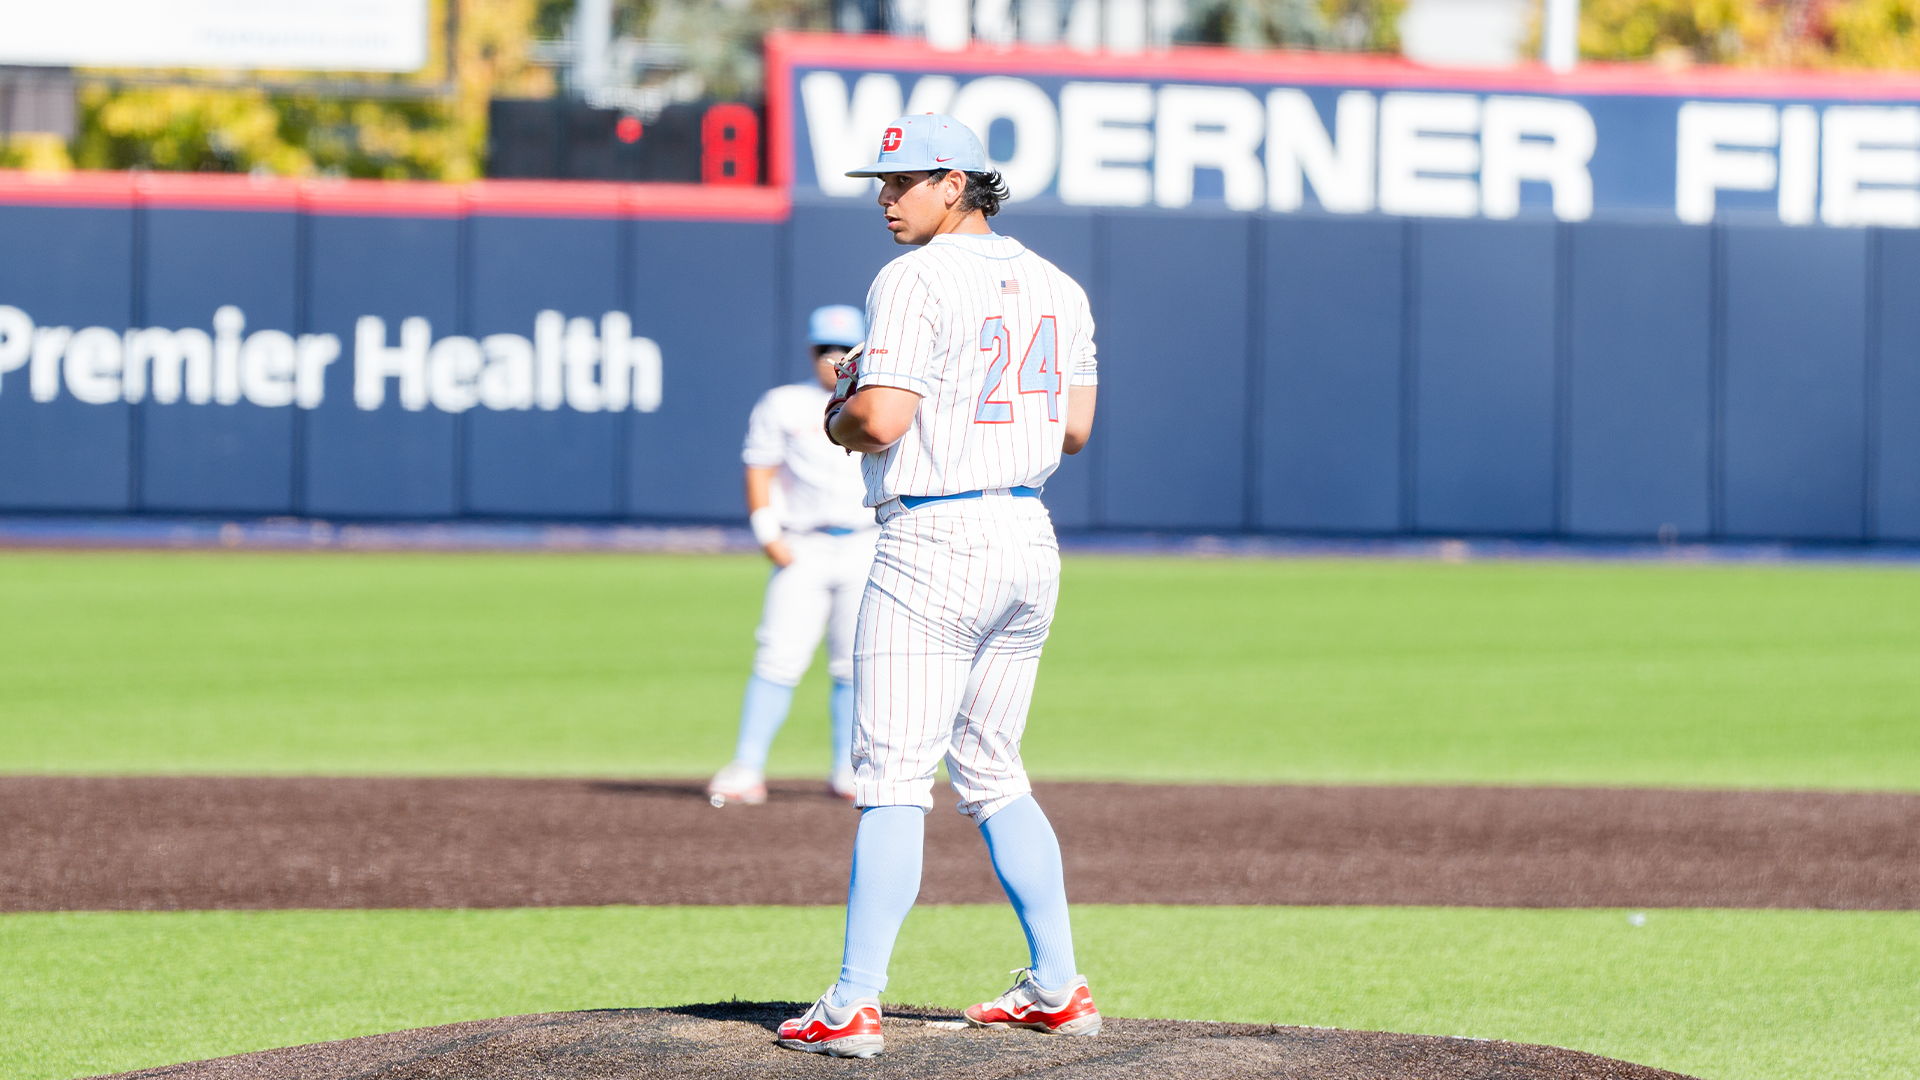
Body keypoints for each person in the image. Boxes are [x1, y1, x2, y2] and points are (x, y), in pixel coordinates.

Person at [774, 115, 1101, 1059]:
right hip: (1027, 536)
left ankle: (853, 1001)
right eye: (882, 180)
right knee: (994, 772)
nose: (885, 195)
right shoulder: (1060, 284)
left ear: (956, 183)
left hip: (936, 531)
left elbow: (878, 422)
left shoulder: (912, 275)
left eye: (905, 180)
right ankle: (1055, 982)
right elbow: (1074, 430)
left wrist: (840, 408)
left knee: (891, 780)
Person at [706, 305, 878, 808]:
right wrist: (767, 533)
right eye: (824, 348)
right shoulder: (782, 403)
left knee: (854, 665)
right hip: (803, 543)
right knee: (778, 656)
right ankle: (747, 765)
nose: (833, 359)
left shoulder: (881, 402)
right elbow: (759, 467)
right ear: (809, 351)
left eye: (843, 349)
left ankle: (848, 771)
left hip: (867, 541)